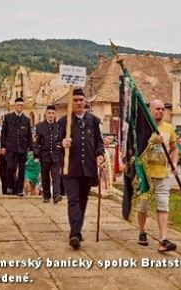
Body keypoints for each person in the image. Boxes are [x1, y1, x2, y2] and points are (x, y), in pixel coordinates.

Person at [58, 88, 105, 249]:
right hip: (70, 167)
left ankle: (76, 229)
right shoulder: (64, 122)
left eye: (81, 100)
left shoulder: (93, 121)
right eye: (75, 100)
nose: (78, 102)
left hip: (88, 168)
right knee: (73, 200)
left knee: (83, 200)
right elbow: (56, 143)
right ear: (71, 103)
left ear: (85, 102)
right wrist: (62, 143)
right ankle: (75, 234)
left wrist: (100, 154)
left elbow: (99, 142)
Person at [136, 99, 178, 252]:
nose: (160, 111)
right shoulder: (143, 128)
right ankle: (142, 231)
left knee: (163, 206)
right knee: (143, 207)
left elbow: (174, 148)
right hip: (145, 174)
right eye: (157, 109)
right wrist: (153, 141)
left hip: (162, 175)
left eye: (162, 109)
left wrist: (174, 163)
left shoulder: (169, 128)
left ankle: (163, 239)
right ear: (150, 111)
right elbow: (138, 149)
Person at [0, 97, 33, 196]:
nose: (20, 107)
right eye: (18, 105)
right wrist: (3, 146)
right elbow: (3, 133)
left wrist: (31, 148)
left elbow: (29, 135)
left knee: (22, 169)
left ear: (23, 106)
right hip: (11, 147)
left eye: (21, 105)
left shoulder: (26, 120)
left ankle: (19, 190)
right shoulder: (8, 117)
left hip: (22, 148)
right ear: (15, 106)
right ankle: (10, 185)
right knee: (10, 167)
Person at [34, 105, 62, 203]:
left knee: (56, 176)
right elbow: (36, 143)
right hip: (44, 155)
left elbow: (61, 140)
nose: (51, 115)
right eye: (49, 113)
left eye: (52, 113)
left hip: (56, 156)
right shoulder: (39, 126)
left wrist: (60, 146)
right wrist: (36, 155)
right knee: (45, 176)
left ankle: (56, 195)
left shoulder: (59, 127)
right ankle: (46, 196)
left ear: (55, 115)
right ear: (46, 114)